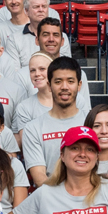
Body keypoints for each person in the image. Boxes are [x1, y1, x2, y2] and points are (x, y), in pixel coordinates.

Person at [20, 56, 90, 186]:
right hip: (51, 202)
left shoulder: (91, 124)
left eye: (70, 81)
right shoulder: (33, 128)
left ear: (79, 85)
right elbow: (40, 178)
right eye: (58, 82)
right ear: (49, 85)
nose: (64, 87)